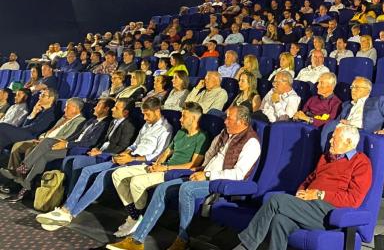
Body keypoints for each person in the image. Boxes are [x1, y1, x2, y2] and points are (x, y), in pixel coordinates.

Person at [109, 106, 261, 250]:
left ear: (242, 121)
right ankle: (137, 240)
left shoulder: (251, 142)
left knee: (186, 189)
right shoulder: (225, 134)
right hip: (202, 175)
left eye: (229, 118)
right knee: (163, 188)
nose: (225, 121)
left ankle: (182, 240)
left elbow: (238, 174)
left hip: (219, 183)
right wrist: (201, 171)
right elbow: (209, 157)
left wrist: (207, 175)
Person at [35, 97, 172, 231]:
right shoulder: (147, 125)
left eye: (147, 114)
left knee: (101, 176)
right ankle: (66, 209)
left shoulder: (166, 129)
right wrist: (127, 152)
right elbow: (135, 144)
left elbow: (156, 155)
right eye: (143, 114)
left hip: (139, 162)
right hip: (128, 157)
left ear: (157, 111)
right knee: (87, 171)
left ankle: (70, 213)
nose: (145, 118)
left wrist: (131, 159)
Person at [231, 124, 371, 250]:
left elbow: (353, 200)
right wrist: (301, 192)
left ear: (349, 142)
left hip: (329, 212)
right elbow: (309, 180)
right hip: (308, 206)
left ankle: (246, 246)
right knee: (280, 221)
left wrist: (319, 194)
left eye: (334, 138)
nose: (330, 141)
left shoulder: (361, 163)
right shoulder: (325, 158)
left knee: (276, 200)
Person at [106, 102, 210, 240]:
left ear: (194, 118)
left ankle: (137, 216)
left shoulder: (202, 137)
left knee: (136, 182)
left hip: (174, 172)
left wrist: (165, 168)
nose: (180, 119)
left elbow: (192, 165)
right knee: (118, 174)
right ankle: (136, 215)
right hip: (162, 167)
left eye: (184, 116)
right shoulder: (180, 132)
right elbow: (166, 153)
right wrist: (157, 164)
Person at [3, 99, 114, 200]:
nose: (94, 108)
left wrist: (66, 144)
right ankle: (25, 187)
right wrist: (65, 142)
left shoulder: (105, 124)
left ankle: (21, 170)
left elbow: (90, 143)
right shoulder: (91, 121)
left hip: (79, 150)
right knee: (43, 156)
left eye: (98, 105)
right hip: (71, 145)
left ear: (106, 109)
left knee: (46, 142)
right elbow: (76, 135)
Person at [321, 77, 384, 145]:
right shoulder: (346, 105)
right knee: (331, 125)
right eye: (352, 87)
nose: (352, 90)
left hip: (362, 131)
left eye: (356, 87)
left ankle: (323, 155)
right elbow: (339, 121)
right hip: (343, 130)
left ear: (367, 90)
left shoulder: (377, 101)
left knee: (331, 125)